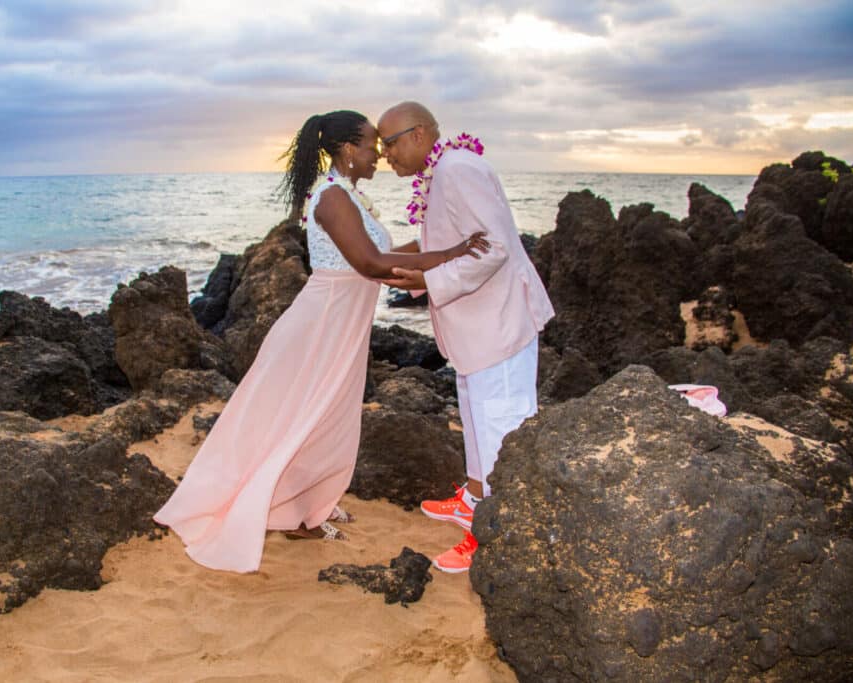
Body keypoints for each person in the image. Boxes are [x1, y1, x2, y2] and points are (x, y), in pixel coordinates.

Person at [153, 110, 490, 573]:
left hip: (342, 323)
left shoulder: (349, 195)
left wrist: (442, 243)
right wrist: (450, 255)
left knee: (327, 416)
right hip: (321, 324)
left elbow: (388, 254)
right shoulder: (332, 198)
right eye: (373, 144)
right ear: (348, 149)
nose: (380, 154)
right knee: (298, 415)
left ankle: (303, 506)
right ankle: (285, 511)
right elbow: (370, 264)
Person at [377, 101, 555, 574]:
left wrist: (428, 283)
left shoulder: (457, 170)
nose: (385, 155)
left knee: (501, 424)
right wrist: (403, 271)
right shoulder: (444, 170)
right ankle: (474, 497)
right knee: (477, 417)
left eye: (389, 143)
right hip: (475, 329)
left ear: (418, 136)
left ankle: (493, 533)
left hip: (498, 321)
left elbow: (492, 247)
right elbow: (448, 245)